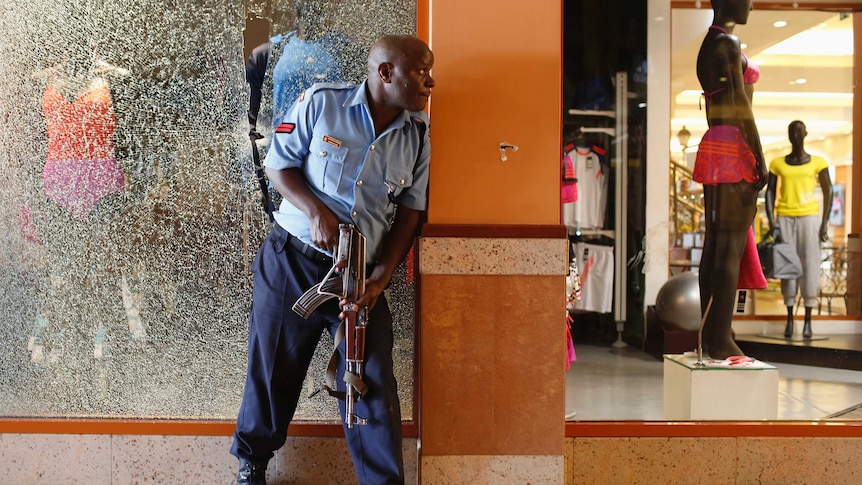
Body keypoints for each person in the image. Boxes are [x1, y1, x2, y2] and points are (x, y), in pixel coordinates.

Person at [230, 34, 435, 485]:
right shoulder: (322, 104)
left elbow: (411, 213)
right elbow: (278, 166)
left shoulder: (417, 135)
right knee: (273, 368)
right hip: (294, 259)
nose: (431, 82)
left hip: (361, 276)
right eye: (421, 72)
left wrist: (381, 278)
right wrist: (315, 211)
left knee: (370, 379)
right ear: (386, 73)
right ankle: (252, 465)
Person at [692, 0, 768, 359]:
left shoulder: (711, 42)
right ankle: (720, 339)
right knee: (730, 247)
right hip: (734, 147)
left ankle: (711, 335)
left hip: (713, 144)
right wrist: (760, 155)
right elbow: (739, 103)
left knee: (716, 245)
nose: (751, 4)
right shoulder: (728, 44)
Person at [765, 120, 833, 339]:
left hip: (809, 217)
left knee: (810, 264)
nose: (796, 135)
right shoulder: (777, 164)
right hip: (784, 217)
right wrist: (771, 220)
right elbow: (770, 192)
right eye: (792, 132)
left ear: (805, 134)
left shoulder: (818, 163)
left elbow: (828, 190)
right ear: (788, 135)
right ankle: (790, 318)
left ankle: (808, 320)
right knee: (787, 267)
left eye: (799, 131)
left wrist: (824, 222)